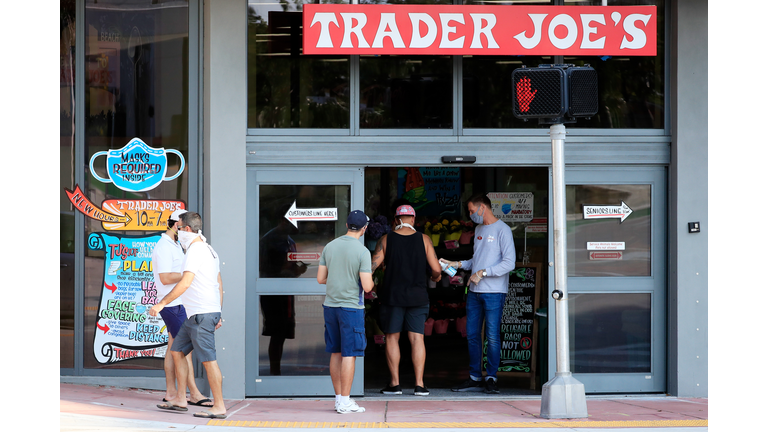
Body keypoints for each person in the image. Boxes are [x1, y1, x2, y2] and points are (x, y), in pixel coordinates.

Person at [149, 212, 227, 419]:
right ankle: (181, 399)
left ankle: (219, 406)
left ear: (188, 230)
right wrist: (218, 311)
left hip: (201, 314)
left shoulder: (195, 249)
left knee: (209, 360)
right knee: (177, 351)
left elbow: (185, 282)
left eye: (180, 228)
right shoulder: (210, 250)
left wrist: (161, 303)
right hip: (198, 314)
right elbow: (218, 283)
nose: (177, 231)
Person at [440, 193, 516, 394]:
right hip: (474, 292)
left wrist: (483, 273)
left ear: (483, 207)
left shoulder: (503, 230)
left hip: (494, 292)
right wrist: (455, 264)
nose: (471, 214)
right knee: (472, 335)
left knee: (492, 336)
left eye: (472, 211)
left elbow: (510, 262)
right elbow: (476, 260)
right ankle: (474, 377)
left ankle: (491, 377)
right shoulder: (479, 229)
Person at [370, 204, 441, 396]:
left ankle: (395, 384)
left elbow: (371, 267)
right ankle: (419, 385)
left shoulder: (386, 240)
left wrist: (368, 286)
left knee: (392, 338)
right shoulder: (424, 239)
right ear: (413, 220)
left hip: (392, 297)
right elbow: (436, 269)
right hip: (418, 297)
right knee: (417, 338)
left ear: (395, 220)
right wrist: (436, 278)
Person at [316, 210, 374, 414]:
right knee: (350, 353)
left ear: (347, 225)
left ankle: (339, 399)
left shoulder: (330, 246)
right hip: (351, 308)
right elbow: (367, 287)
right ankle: (346, 401)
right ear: (364, 228)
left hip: (330, 306)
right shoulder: (362, 252)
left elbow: (321, 279)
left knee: (336, 351)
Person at [259, 209, 307, 375]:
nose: (297, 225)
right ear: (283, 220)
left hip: (285, 292)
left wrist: (295, 269)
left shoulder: (288, 240)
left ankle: (277, 371)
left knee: (282, 333)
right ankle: (275, 373)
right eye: (294, 221)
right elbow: (266, 269)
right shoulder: (271, 240)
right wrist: (292, 271)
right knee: (277, 333)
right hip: (275, 294)